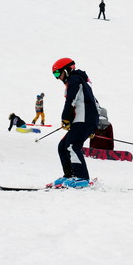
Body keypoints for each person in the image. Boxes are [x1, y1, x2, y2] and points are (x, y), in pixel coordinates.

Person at [50, 57, 99, 188]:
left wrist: (65, 118)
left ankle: (82, 178)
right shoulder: (80, 81)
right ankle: (70, 175)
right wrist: (93, 128)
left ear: (66, 70)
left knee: (72, 146)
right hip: (83, 121)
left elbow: (71, 100)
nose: (57, 78)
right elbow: (94, 103)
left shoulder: (75, 80)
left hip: (83, 121)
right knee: (62, 146)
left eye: (57, 73)